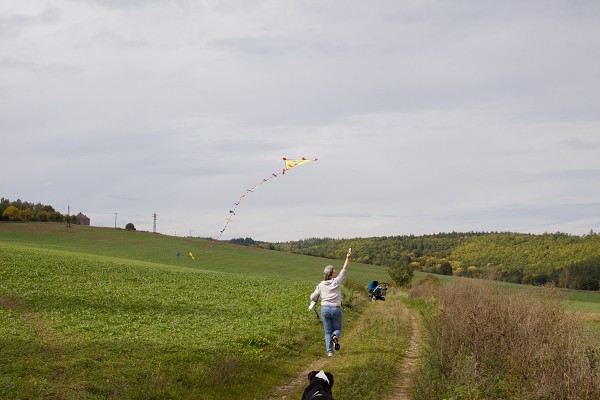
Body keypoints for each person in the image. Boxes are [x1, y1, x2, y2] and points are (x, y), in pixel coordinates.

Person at [310, 249, 352, 357]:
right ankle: (335, 336)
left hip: (324, 309)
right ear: (331, 275)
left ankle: (329, 352)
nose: (336, 273)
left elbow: (313, 296)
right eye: (334, 272)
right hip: (336, 308)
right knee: (337, 329)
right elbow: (345, 268)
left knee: (327, 331)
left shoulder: (320, 285)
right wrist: (348, 257)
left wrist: (314, 300)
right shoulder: (336, 281)